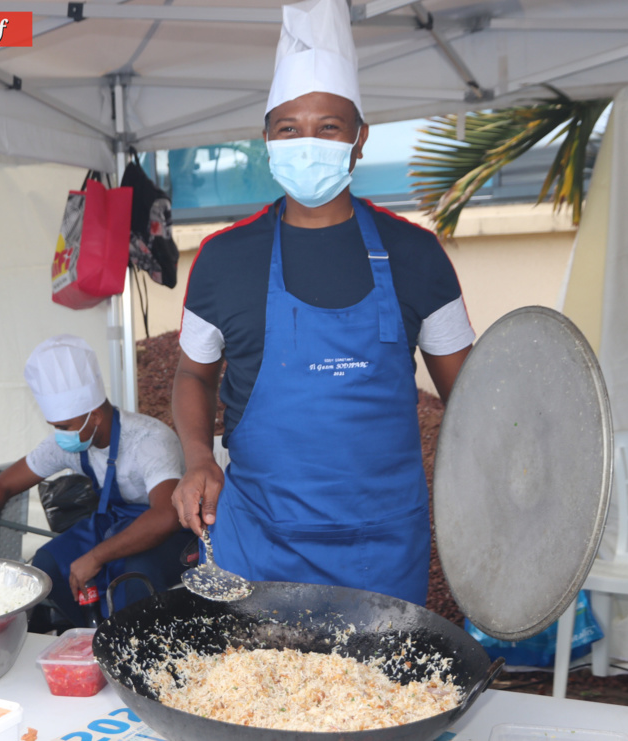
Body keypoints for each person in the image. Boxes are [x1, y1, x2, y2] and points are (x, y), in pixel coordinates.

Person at [170, 0, 475, 606]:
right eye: (288, 128)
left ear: (359, 139)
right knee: (254, 697)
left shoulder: (418, 255)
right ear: (266, 139)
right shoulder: (222, 259)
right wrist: (199, 456)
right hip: (258, 543)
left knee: (379, 699)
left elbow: (469, 398)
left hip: (383, 551)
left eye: (329, 127)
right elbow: (191, 374)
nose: (306, 142)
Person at [0, 334, 191, 626]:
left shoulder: (149, 440)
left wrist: (96, 556)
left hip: (173, 533)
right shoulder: (67, 443)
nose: (60, 434)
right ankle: (88, 633)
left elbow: (166, 516)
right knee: (46, 566)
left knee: (132, 574)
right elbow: (3, 486)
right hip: (112, 523)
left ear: (95, 417)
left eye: (64, 426)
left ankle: (133, 646)